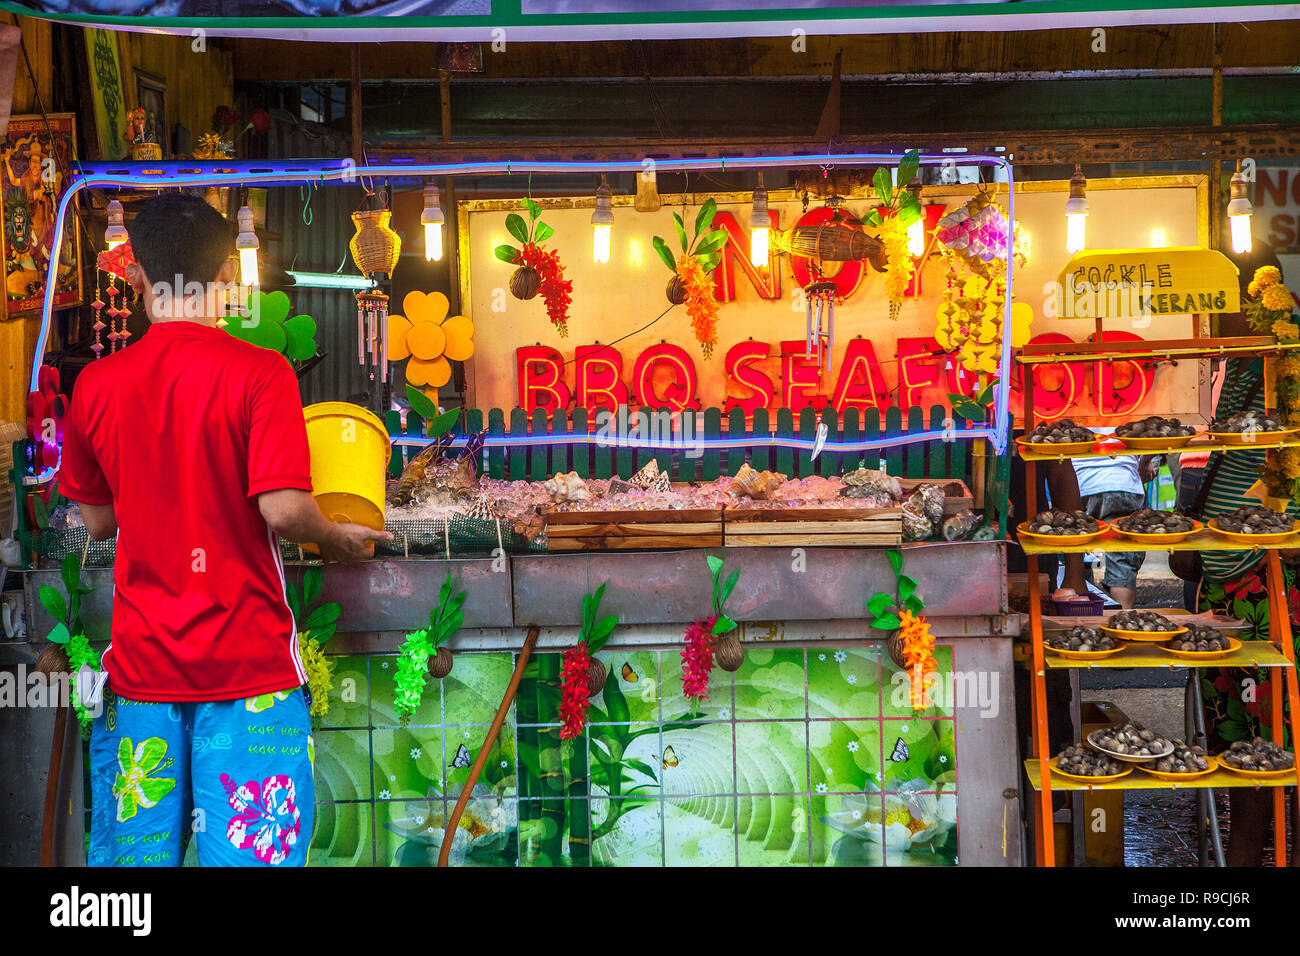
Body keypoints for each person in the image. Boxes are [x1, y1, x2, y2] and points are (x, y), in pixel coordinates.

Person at [58, 193, 389, 867]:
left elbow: (96, 518)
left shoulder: (96, 384)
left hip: (143, 681)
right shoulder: (260, 373)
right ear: (226, 280)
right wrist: (335, 535)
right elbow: (284, 510)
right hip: (248, 677)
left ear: (139, 278)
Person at [1195, 243, 1299, 866]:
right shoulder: (1239, 367)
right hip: (1225, 581)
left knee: (1281, 734)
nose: (1215, 319)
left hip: (1272, 579)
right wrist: (1198, 536)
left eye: (1224, 303)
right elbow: (1225, 451)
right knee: (1236, 741)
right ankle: (1239, 871)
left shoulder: (1282, 362)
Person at [1072, 453, 1156, 608]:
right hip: (1122, 481)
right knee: (1122, 560)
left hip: (1079, 483)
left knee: (1075, 557)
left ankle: (1082, 618)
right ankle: (1122, 621)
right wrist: (1145, 461)